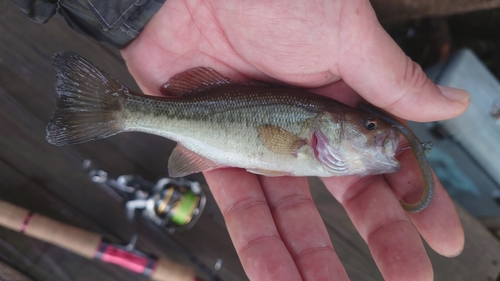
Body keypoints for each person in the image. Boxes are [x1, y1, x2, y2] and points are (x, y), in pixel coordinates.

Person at [14, 0, 469, 280]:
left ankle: (117, 110)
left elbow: (274, 157)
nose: (378, 136)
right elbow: (275, 153)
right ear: (326, 128)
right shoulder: (307, 138)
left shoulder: (318, 140)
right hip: (204, 106)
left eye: (372, 130)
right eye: (370, 129)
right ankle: (118, 109)